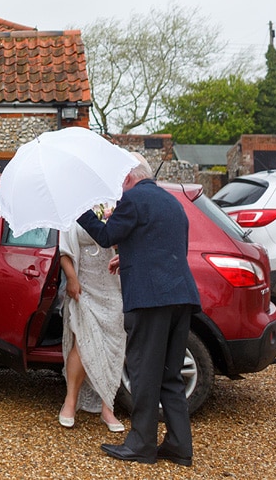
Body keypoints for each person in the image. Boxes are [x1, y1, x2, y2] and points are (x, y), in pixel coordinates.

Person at [75, 153, 201, 467]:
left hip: (150, 299)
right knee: (170, 375)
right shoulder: (173, 202)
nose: (118, 188)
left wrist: (78, 210)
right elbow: (168, 248)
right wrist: (129, 256)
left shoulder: (132, 200)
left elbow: (105, 236)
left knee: (144, 372)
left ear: (129, 176)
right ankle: (179, 445)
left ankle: (142, 444)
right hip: (180, 296)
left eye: (119, 180)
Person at [57, 221, 126, 433]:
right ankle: (70, 402)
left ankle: (108, 407)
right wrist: (71, 278)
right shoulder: (70, 211)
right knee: (83, 340)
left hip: (112, 283)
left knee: (113, 345)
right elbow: (64, 252)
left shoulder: (114, 206)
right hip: (84, 284)